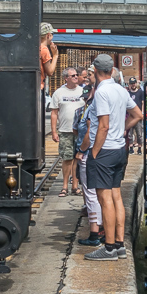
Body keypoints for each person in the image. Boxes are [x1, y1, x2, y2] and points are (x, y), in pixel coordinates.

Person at [83, 54, 142, 262]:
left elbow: (103, 125)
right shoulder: (120, 89)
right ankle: (119, 244)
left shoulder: (102, 92)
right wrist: (123, 131)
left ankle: (108, 248)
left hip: (105, 150)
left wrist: (95, 151)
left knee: (104, 198)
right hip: (119, 150)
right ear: (111, 70)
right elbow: (138, 115)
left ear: (97, 71)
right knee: (116, 196)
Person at [73, 84, 103, 246]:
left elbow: (90, 134)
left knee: (91, 193)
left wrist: (81, 151)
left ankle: (94, 233)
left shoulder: (93, 108)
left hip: (89, 153)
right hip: (102, 152)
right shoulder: (87, 107)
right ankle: (103, 231)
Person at [49, 67, 86, 198]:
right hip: (65, 130)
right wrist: (54, 131)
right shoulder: (59, 93)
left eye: (77, 75)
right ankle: (64, 186)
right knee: (67, 158)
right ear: (66, 78)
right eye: (73, 75)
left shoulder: (83, 91)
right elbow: (54, 113)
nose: (76, 77)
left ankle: (75, 185)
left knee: (77, 158)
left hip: (80, 131)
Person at [126, 77, 146, 154]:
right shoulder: (127, 93)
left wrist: (142, 113)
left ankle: (139, 148)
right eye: (131, 83)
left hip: (138, 115)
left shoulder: (140, 92)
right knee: (130, 133)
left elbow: (143, 102)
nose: (133, 85)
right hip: (130, 115)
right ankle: (131, 147)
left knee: (139, 133)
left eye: (134, 83)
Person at [39, 23, 58, 93]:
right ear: (48, 35)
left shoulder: (34, 47)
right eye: (52, 34)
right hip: (39, 85)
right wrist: (55, 55)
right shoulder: (44, 49)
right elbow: (50, 72)